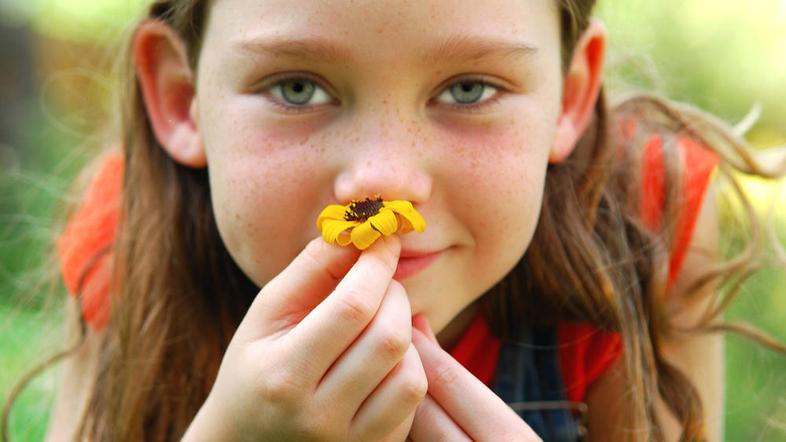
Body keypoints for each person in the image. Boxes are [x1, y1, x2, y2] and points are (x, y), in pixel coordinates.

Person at [6, 0, 784, 440]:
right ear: (182, 100)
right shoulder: (129, 234)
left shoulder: (645, 218)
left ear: (569, 96)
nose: (380, 186)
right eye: (298, 88)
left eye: (470, 89)